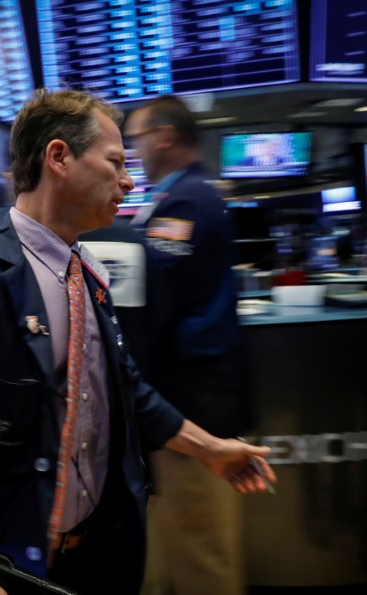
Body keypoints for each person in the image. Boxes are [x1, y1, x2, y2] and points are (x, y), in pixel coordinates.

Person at [0, 89, 276, 595]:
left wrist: (208, 447)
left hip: (96, 557)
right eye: (114, 162)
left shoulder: (88, 273)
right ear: (59, 157)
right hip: (7, 564)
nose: (128, 180)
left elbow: (122, 387)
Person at [125, 95, 253, 595]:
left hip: (194, 402)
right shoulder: (183, 195)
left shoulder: (186, 202)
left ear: (164, 136)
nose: (133, 151)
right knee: (179, 538)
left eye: (134, 139)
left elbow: (156, 290)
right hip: (189, 397)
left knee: (202, 547)